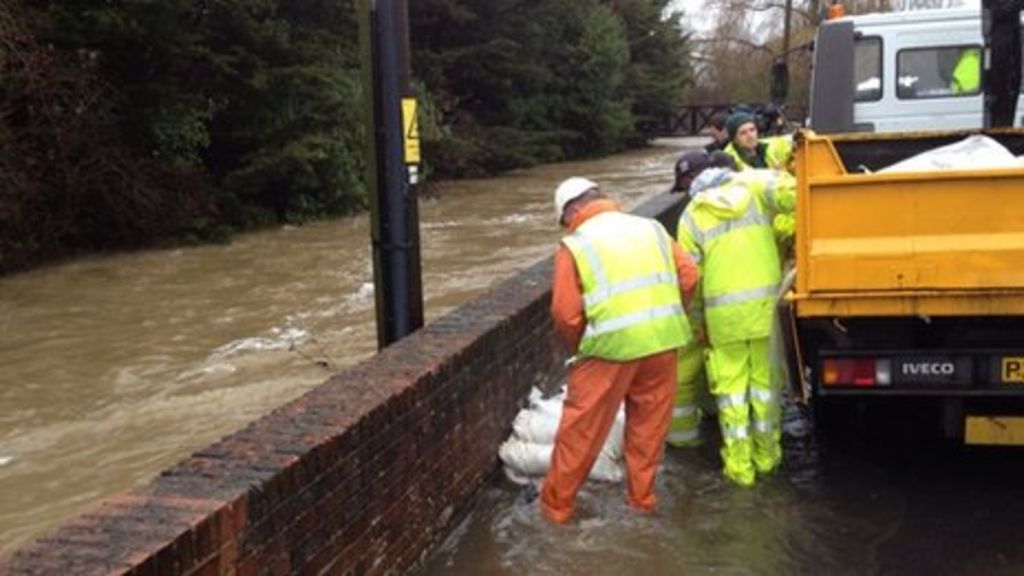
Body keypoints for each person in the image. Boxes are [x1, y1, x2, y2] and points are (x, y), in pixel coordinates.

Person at [542, 176, 699, 523]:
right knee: (648, 430)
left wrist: (582, 343)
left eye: (565, 220)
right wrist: (669, 315)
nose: (567, 226)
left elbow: (564, 313)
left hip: (608, 350)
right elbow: (688, 275)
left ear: (575, 210)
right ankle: (641, 502)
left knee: (580, 433)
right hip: (662, 342)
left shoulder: (576, 244)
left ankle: (557, 511)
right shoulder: (652, 229)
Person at [675, 160, 796, 487]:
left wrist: (698, 326)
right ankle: (768, 459)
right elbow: (797, 196)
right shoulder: (755, 190)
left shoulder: (691, 216)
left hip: (723, 319)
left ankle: (740, 470)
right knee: (765, 388)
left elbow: (691, 281)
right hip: (764, 311)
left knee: (731, 394)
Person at [668, 151, 736, 446]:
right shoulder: (746, 199)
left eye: (685, 184)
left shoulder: (693, 215)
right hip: (743, 310)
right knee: (727, 376)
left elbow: (690, 274)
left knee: (682, 379)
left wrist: (685, 312)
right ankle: (721, 424)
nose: (685, 192)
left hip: (706, 310)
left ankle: (685, 442)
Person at [723, 112, 793, 172]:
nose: (750, 135)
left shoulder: (769, 144)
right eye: (743, 133)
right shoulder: (729, 160)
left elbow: (792, 143)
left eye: (752, 130)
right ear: (734, 139)